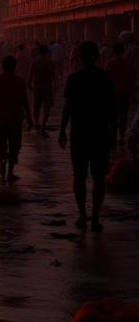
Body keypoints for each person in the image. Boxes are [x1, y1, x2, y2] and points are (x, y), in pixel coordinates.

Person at [59, 41, 116, 232]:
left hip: (79, 132)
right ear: (97, 57)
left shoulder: (74, 78)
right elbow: (111, 109)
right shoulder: (105, 78)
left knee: (79, 175)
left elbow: (67, 107)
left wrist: (61, 130)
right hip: (100, 132)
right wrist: (114, 134)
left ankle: (82, 215)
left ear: (79, 58)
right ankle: (96, 218)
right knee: (99, 177)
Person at [0, 55, 32, 182]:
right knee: (14, 145)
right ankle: (10, 172)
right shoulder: (19, 81)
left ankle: (2, 163)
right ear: (14, 66)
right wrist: (29, 118)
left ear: (2, 66)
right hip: (15, 117)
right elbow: (25, 101)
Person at [105, 42, 134, 145]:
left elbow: (106, 81)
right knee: (123, 115)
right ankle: (121, 136)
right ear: (123, 51)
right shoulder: (127, 63)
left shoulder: (109, 63)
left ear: (113, 51)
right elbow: (131, 80)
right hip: (124, 93)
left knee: (112, 116)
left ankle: (112, 137)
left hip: (112, 94)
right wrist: (132, 94)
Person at [28, 44, 56, 138]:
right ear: (47, 52)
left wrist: (29, 85)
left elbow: (30, 75)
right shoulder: (50, 62)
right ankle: (43, 126)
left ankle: (37, 124)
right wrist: (55, 89)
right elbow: (54, 78)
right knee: (46, 109)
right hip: (47, 87)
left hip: (37, 87)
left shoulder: (35, 61)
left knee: (36, 107)